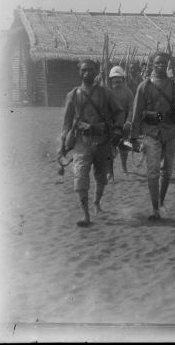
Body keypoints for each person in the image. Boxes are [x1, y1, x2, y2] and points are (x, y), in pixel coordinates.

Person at [60, 59, 124, 227]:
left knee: (101, 177)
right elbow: (66, 123)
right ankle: (85, 214)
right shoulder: (73, 95)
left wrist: (117, 130)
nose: (87, 73)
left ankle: (96, 203)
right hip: (82, 142)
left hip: (102, 141)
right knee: (80, 177)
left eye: (90, 70)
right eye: (83, 70)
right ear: (79, 72)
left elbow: (119, 112)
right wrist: (62, 144)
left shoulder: (106, 93)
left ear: (96, 72)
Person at [130, 52, 175, 220]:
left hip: (172, 132)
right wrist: (133, 137)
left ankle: (161, 201)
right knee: (152, 171)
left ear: (168, 65)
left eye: (164, 63)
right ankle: (155, 209)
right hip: (151, 131)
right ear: (151, 65)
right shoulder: (144, 86)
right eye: (157, 63)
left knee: (167, 170)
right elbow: (136, 114)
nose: (160, 66)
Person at [108, 66, 134, 175]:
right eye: (114, 79)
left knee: (124, 147)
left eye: (119, 79)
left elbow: (131, 108)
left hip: (124, 125)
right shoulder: (107, 91)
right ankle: (110, 171)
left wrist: (128, 121)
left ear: (123, 79)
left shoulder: (128, 92)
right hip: (110, 124)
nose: (116, 81)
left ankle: (124, 166)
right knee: (109, 148)